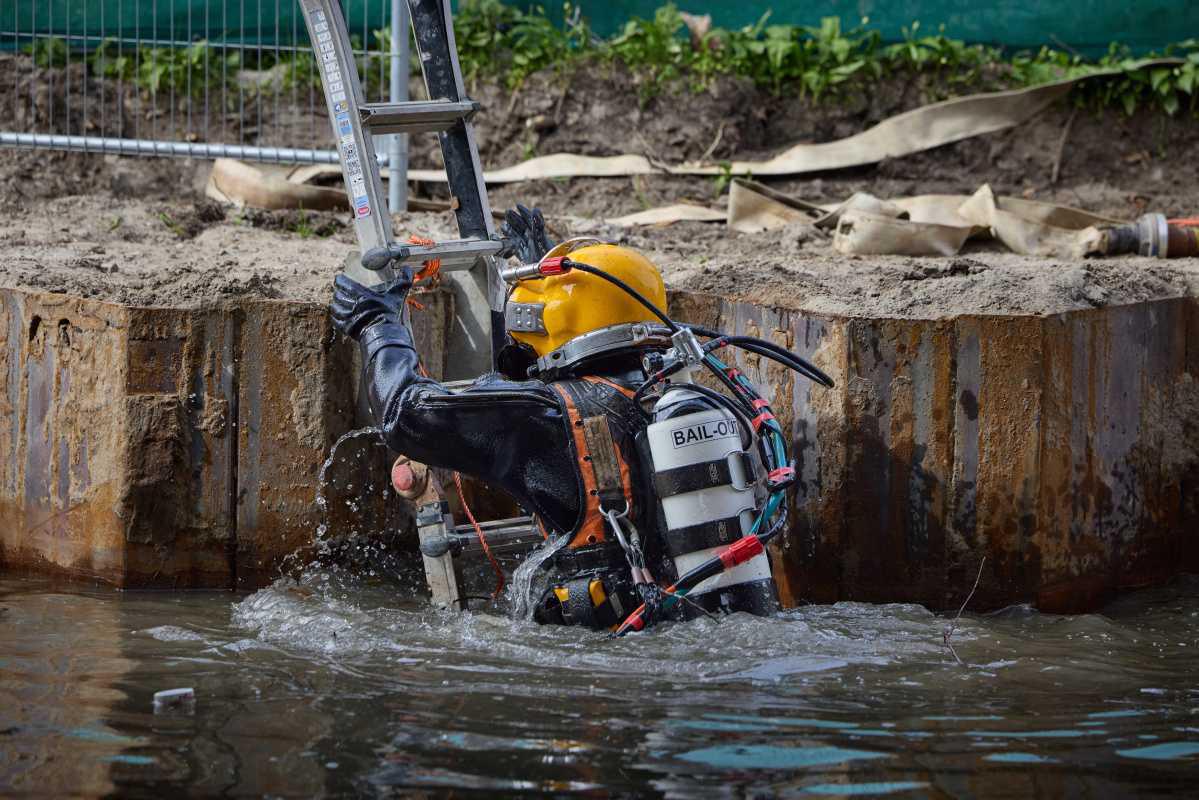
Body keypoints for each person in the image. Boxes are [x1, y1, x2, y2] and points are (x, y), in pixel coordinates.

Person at [331, 207, 830, 631]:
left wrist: (376, 324)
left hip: (609, 649)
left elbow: (404, 414)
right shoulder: (689, 399)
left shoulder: (546, 415)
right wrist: (543, 270)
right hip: (711, 624)